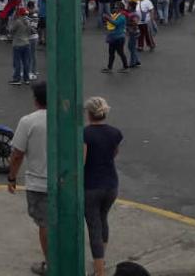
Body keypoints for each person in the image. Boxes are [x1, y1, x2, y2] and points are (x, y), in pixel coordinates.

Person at [8, 80, 48, 276]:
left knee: (44, 224)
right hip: (64, 181)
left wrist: (11, 177)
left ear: (36, 100)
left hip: (39, 183)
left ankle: (51, 263)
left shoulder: (28, 121)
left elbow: (17, 154)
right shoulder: (64, 118)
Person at [83, 96, 123, 276]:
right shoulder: (115, 132)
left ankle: (99, 271)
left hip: (91, 185)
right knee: (103, 219)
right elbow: (114, 153)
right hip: (111, 184)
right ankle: (101, 259)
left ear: (89, 113)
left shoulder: (85, 133)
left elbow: (82, 161)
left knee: (93, 227)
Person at [102, 3, 128, 74]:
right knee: (111, 53)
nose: (115, 8)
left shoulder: (122, 17)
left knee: (120, 53)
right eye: (115, 7)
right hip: (113, 37)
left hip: (119, 37)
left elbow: (116, 23)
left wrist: (107, 18)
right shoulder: (115, 15)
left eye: (116, 7)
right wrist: (106, 18)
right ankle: (109, 68)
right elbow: (110, 22)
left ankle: (125, 67)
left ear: (120, 9)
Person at [8, 7, 31, 84]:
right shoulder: (28, 21)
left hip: (18, 43)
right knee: (26, 62)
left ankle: (17, 79)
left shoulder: (17, 22)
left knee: (17, 62)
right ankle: (26, 78)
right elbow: (30, 32)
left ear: (19, 13)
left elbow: (11, 30)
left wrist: (12, 21)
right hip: (26, 43)